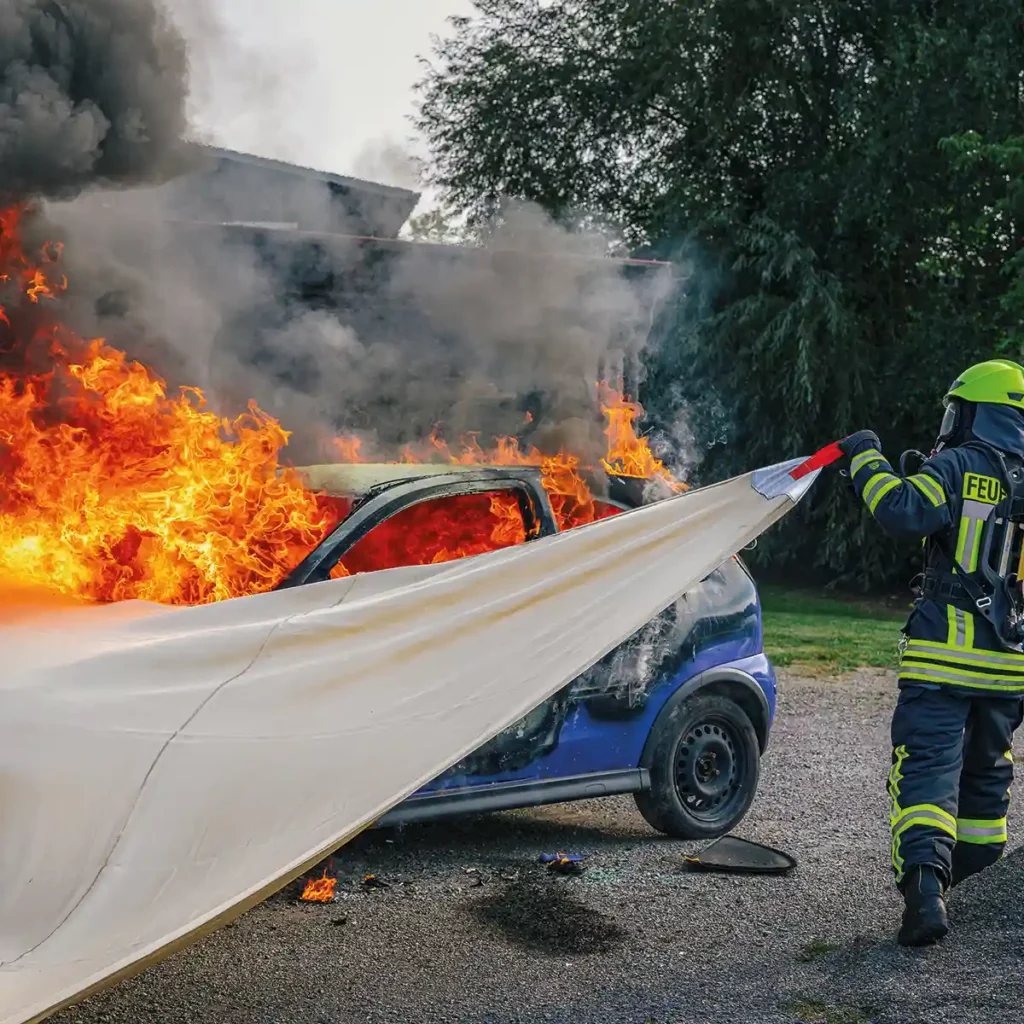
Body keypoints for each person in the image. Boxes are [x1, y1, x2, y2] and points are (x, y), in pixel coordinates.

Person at [838, 359, 1024, 947]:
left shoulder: (959, 463)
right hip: (1009, 668)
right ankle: (957, 885)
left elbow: (900, 509)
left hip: (942, 657)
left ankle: (924, 896)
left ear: (976, 413)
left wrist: (866, 456)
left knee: (926, 775)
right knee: (986, 784)